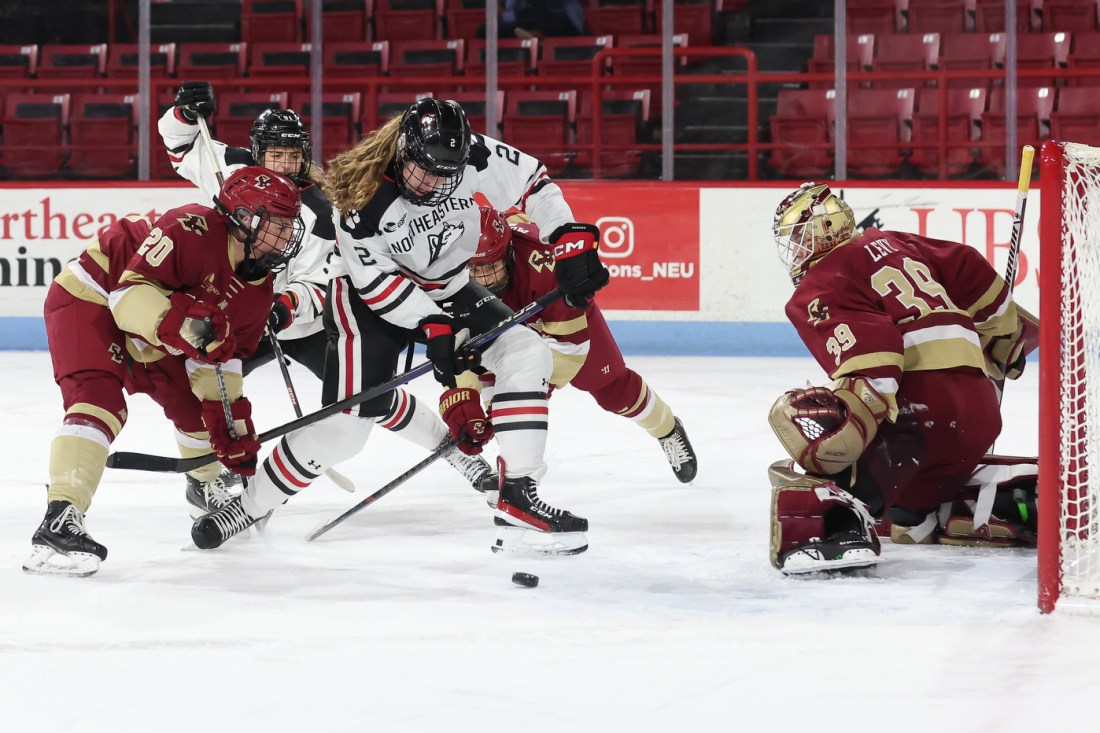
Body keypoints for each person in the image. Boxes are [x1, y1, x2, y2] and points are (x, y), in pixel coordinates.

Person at [190, 97, 611, 556]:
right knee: (348, 428)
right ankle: (248, 507)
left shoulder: (469, 152)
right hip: (367, 301)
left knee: (527, 351)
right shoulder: (359, 197)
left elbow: (533, 181)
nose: (432, 184)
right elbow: (377, 285)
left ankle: (517, 496)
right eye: (422, 171)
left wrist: (568, 237)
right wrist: (434, 327)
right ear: (404, 150)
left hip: (448, 284)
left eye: (443, 176)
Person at [159, 82, 493, 512]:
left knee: (373, 395)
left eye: (292, 156)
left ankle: (452, 450)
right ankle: (203, 480)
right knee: (205, 390)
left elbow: (321, 282)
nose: (282, 165)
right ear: (257, 153)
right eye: (273, 155)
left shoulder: (321, 211)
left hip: (298, 322)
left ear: (305, 156)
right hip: (236, 314)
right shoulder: (231, 169)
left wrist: (282, 308)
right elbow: (181, 144)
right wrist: (185, 113)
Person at [24, 167, 304, 577]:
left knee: (197, 414)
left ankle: (202, 483)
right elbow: (127, 298)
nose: (284, 235)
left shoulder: (259, 292)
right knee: (98, 401)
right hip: (95, 293)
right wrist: (194, 327)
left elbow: (218, 364)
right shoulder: (190, 227)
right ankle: (61, 515)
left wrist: (230, 428)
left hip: (155, 330)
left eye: (288, 225)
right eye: (276, 223)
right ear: (243, 218)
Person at [765, 182, 1039, 575]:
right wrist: (1002, 334)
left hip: (919, 420)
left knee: (805, 422)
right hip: (980, 415)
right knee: (906, 507)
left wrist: (850, 428)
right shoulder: (895, 242)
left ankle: (839, 530)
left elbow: (876, 358)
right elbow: (971, 269)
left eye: (797, 237)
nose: (795, 248)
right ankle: (948, 507)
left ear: (821, 231)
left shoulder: (820, 281)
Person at [467, 207, 697, 490]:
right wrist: (471, 401)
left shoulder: (549, 270)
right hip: (505, 335)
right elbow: (462, 352)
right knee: (503, 405)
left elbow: (570, 352)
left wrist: (535, 386)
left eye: (492, 267)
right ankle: (515, 474)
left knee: (614, 390)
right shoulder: (450, 269)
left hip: (560, 327)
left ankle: (667, 428)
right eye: (474, 269)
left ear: (509, 253)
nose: (485, 280)